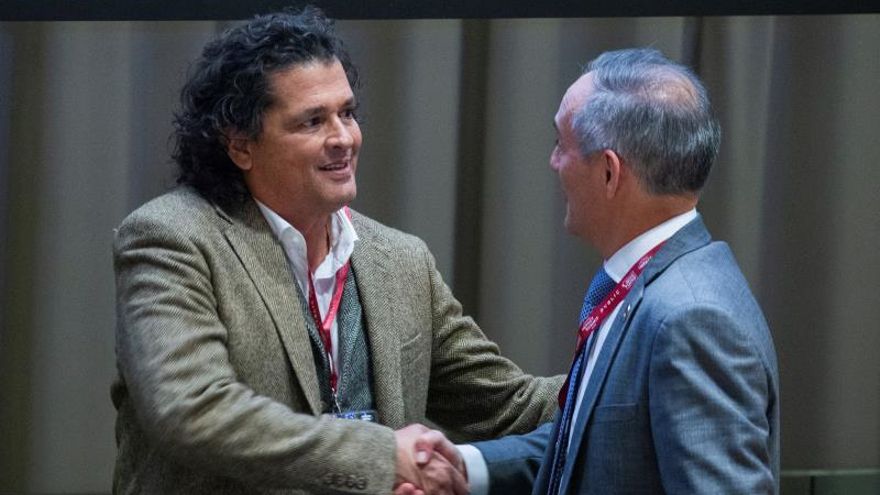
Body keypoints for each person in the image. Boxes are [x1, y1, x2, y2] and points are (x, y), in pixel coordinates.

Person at [110, 7, 562, 494]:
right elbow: (192, 408)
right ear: (240, 145)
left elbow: (512, 404)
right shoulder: (171, 237)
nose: (343, 138)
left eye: (347, 113)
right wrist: (381, 455)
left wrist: (625, 370)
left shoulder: (401, 259)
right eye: (312, 121)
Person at [407, 47, 780, 494]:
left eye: (561, 145)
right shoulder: (653, 285)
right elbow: (593, 444)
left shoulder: (691, 319)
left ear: (608, 172)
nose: (553, 162)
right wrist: (465, 466)